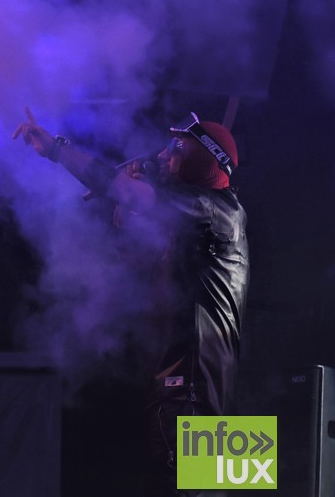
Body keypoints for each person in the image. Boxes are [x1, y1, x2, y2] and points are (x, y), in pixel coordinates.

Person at [13, 107, 250, 496]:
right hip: (200, 399)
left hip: (191, 398)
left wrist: (58, 149)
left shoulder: (219, 209)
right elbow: (136, 259)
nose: (163, 156)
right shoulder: (203, 224)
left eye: (175, 148)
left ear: (201, 159)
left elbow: (130, 194)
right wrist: (130, 205)